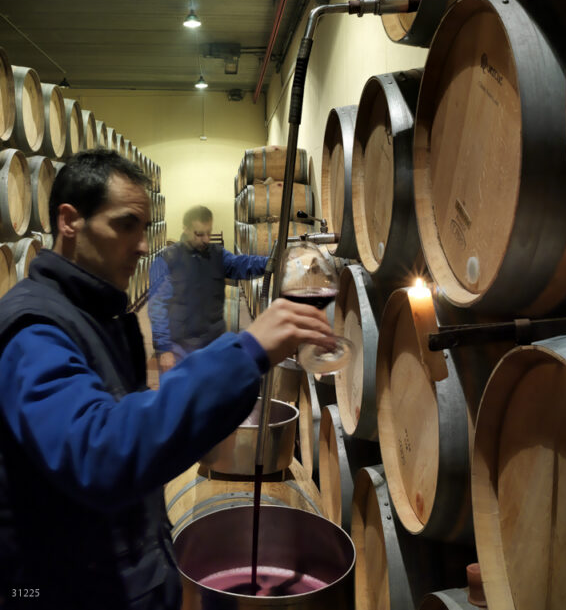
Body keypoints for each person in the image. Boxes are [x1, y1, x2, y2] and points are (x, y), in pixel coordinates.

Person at [0, 150, 332, 609]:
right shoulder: (33, 331)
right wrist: (244, 353)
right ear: (69, 221)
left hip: (116, 575)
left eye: (143, 227)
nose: (141, 244)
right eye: (125, 225)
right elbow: (102, 451)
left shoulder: (96, 313)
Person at [148, 205, 266, 372]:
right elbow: (157, 307)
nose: (206, 239)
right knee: (181, 396)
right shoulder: (167, 260)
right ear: (186, 229)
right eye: (199, 234)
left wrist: (271, 262)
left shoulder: (217, 254)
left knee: (211, 395)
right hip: (179, 348)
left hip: (212, 344)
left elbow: (242, 264)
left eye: (209, 233)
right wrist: (164, 349)